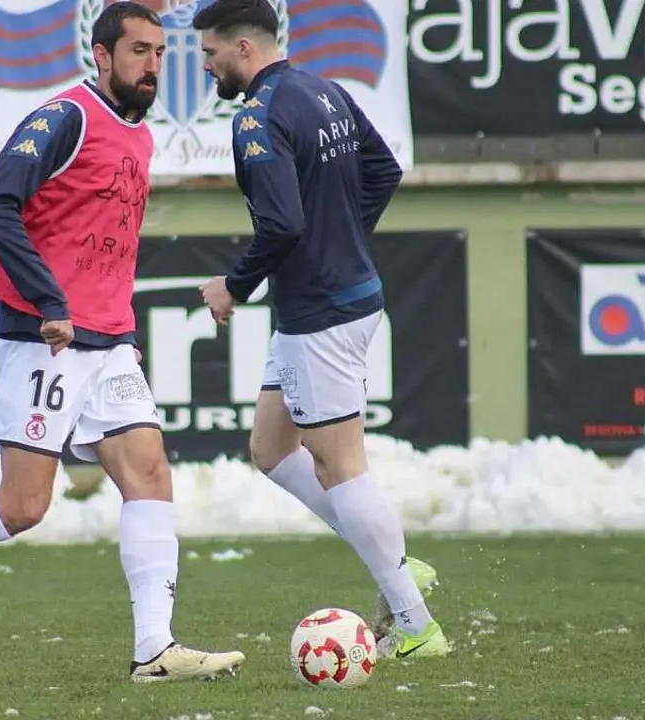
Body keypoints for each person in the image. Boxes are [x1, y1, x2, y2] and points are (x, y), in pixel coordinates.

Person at [0, 1, 245, 682]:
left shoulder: (138, 136)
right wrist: (50, 301)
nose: (153, 66)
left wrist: (116, 321)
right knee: (24, 506)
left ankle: (154, 647)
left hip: (107, 340)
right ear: (100, 55)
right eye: (138, 52)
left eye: (159, 53)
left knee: (149, 472)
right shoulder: (65, 118)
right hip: (48, 338)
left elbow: (104, 243)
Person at [191, 0, 451, 659]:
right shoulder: (324, 89)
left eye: (210, 54)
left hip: (321, 315)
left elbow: (280, 225)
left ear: (244, 48)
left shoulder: (259, 114)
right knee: (273, 449)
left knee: (340, 466)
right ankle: (395, 571)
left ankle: (417, 628)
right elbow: (385, 169)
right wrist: (341, 241)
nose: (206, 66)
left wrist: (232, 285)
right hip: (342, 299)